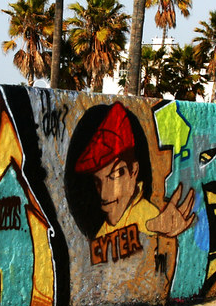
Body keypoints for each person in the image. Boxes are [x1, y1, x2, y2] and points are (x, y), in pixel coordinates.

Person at [72, 103, 195, 266]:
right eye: (98, 181)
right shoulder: (107, 225)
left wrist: (159, 225)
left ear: (134, 172)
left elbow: (147, 223)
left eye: (115, 175)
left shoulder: (145, 213)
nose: (103, 195)